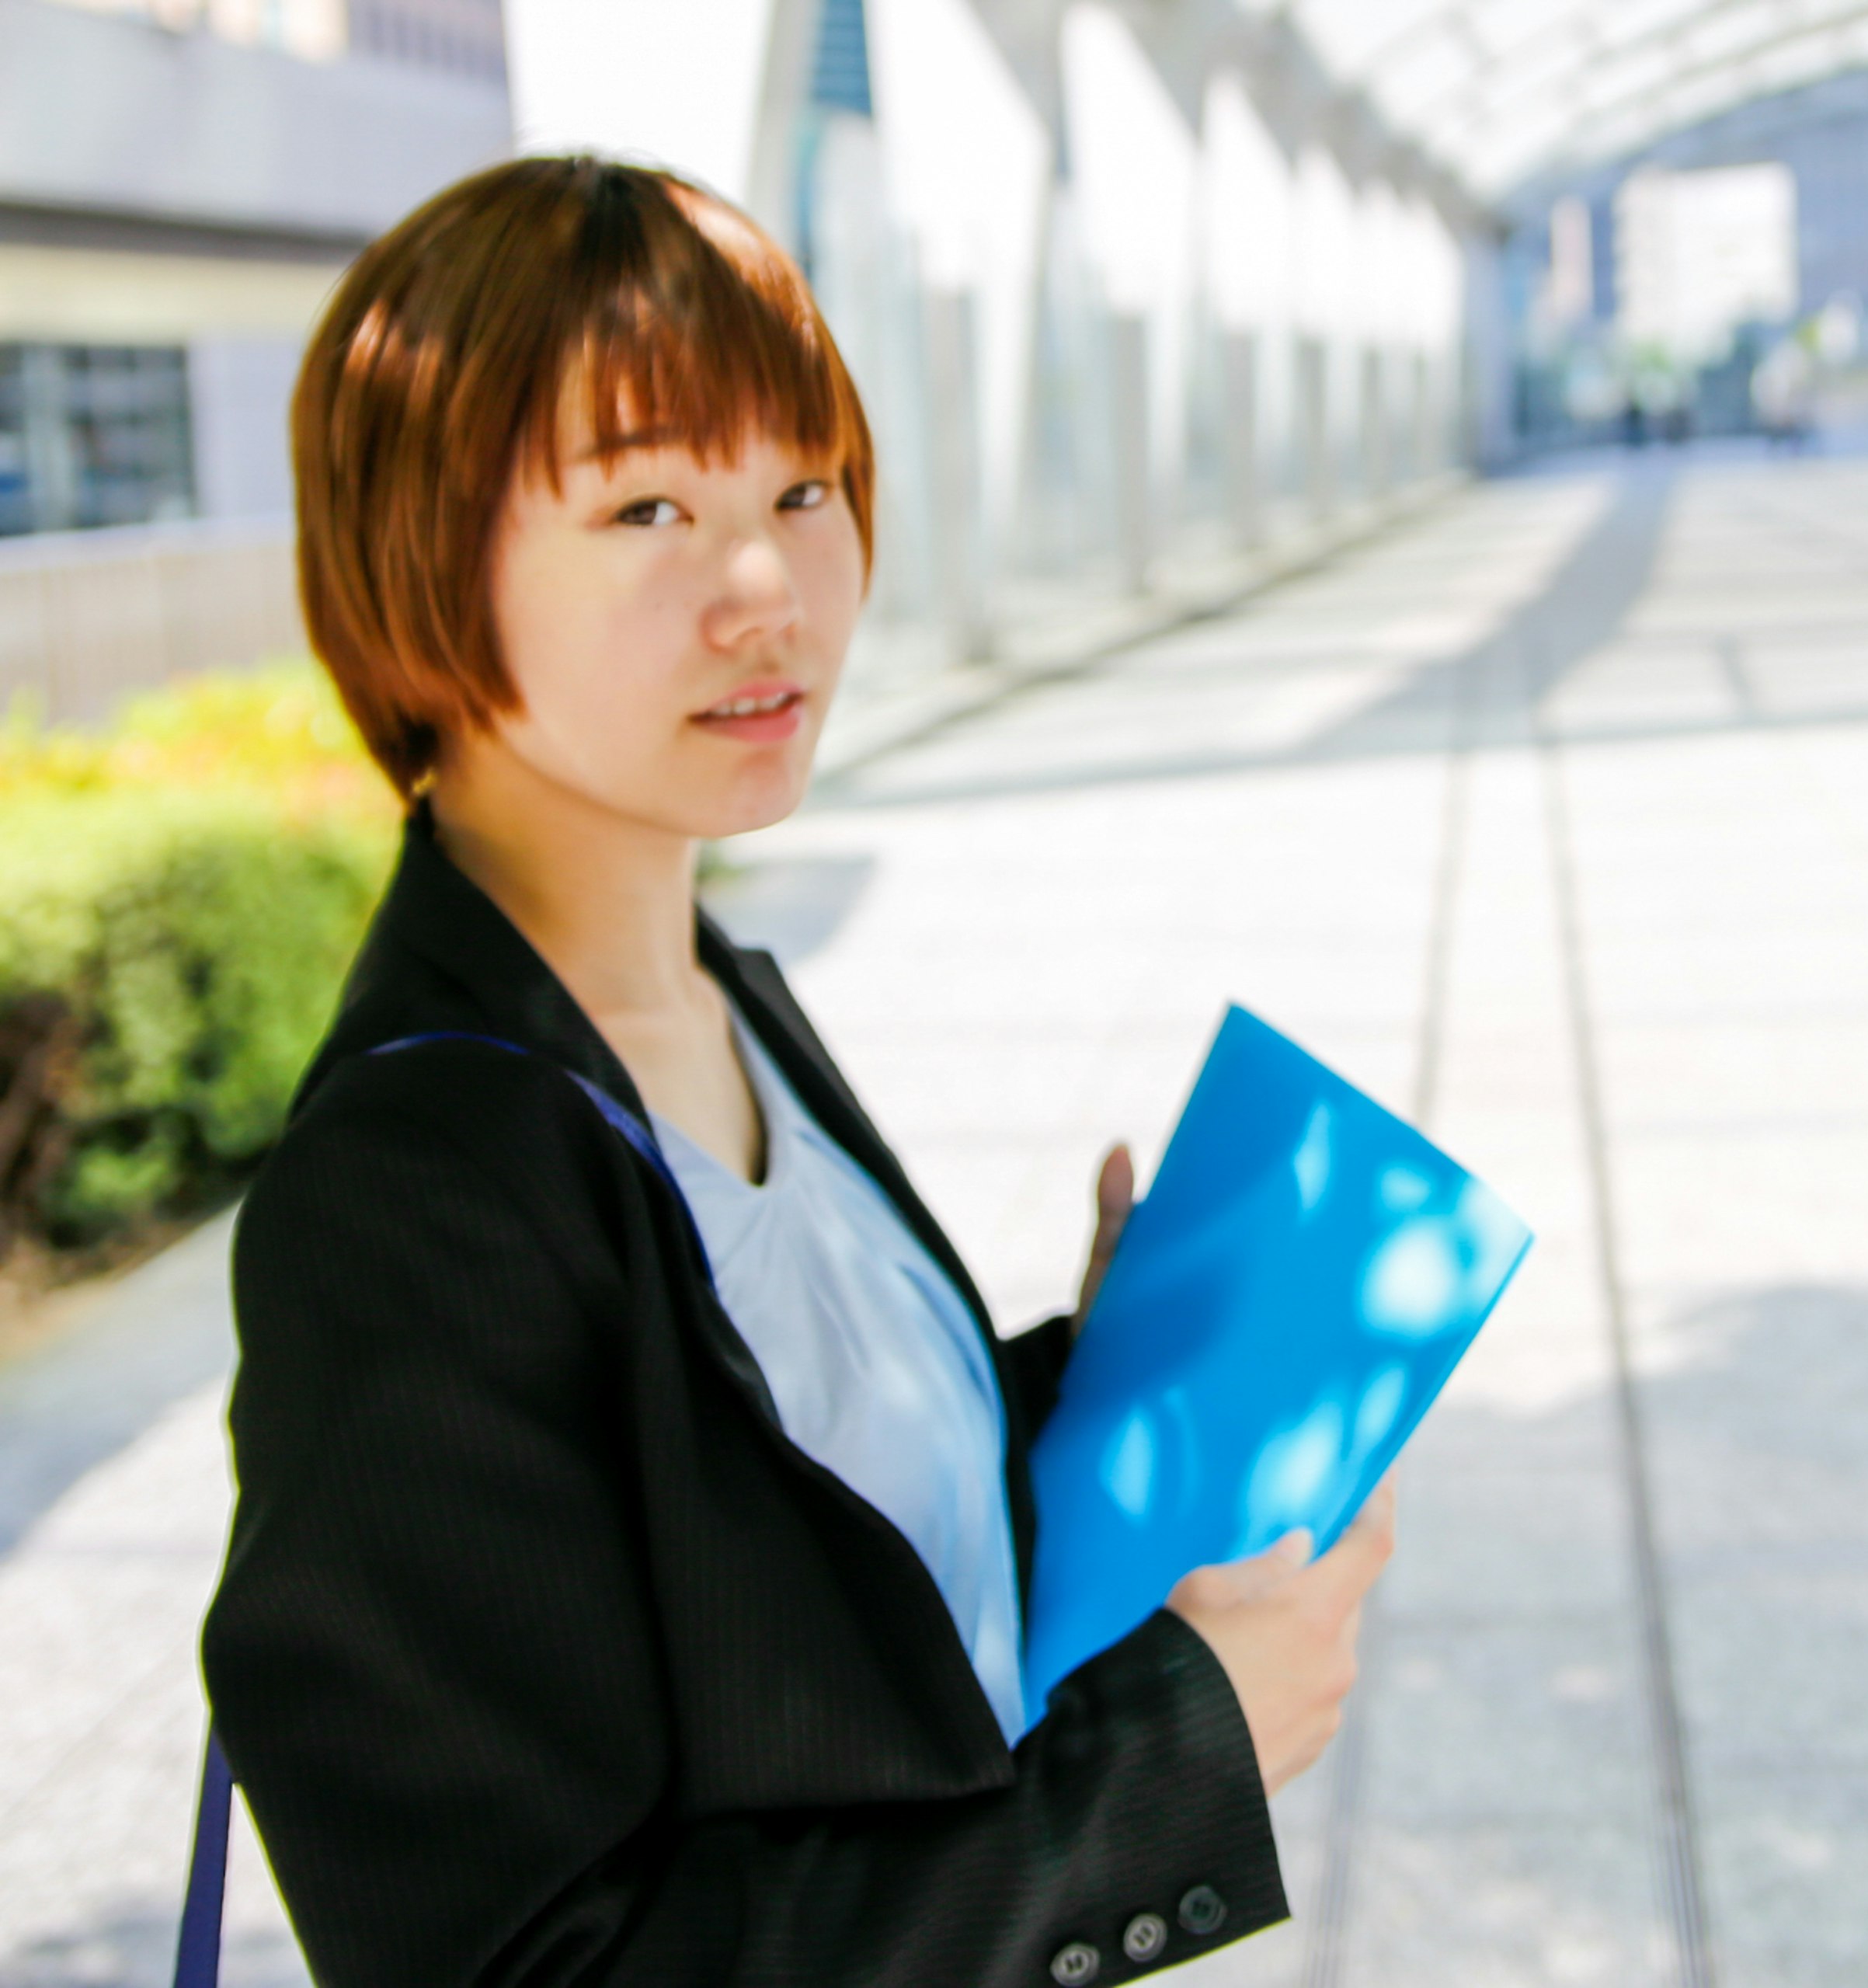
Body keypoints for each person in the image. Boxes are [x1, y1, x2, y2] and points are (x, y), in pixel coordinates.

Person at [200, 155, 1393, 1986]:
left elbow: (763, 1527)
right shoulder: (409, 1192)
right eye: (650, 504)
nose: (769, 584)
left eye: (806, 486)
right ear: (418, 552)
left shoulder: (713, 995)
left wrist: (1114, 1380)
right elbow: (531, 1962)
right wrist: (1170, 1761)